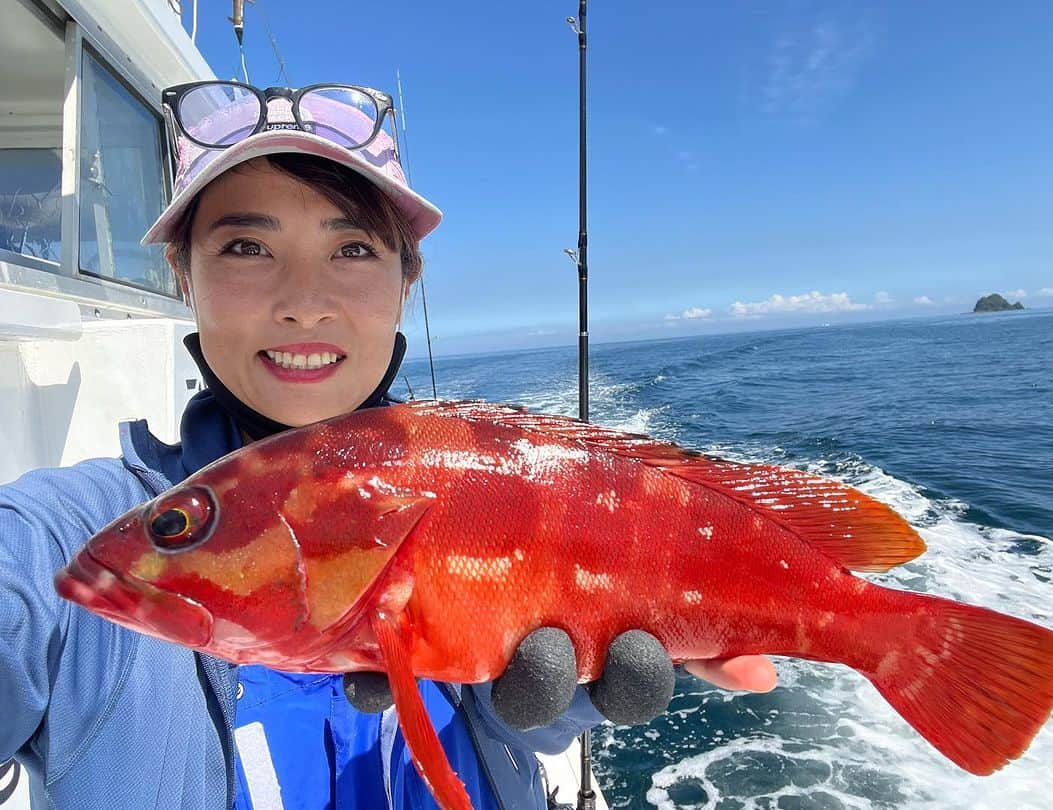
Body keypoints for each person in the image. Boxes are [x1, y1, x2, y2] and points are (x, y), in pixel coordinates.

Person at [0, 82, 776, 810]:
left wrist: (563, 701)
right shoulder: (62, 538)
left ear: (409, 278)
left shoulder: (472, 486)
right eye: (245, 247)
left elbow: (503, 726)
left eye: (354, 250)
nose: (305, 302)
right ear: (182, 274)